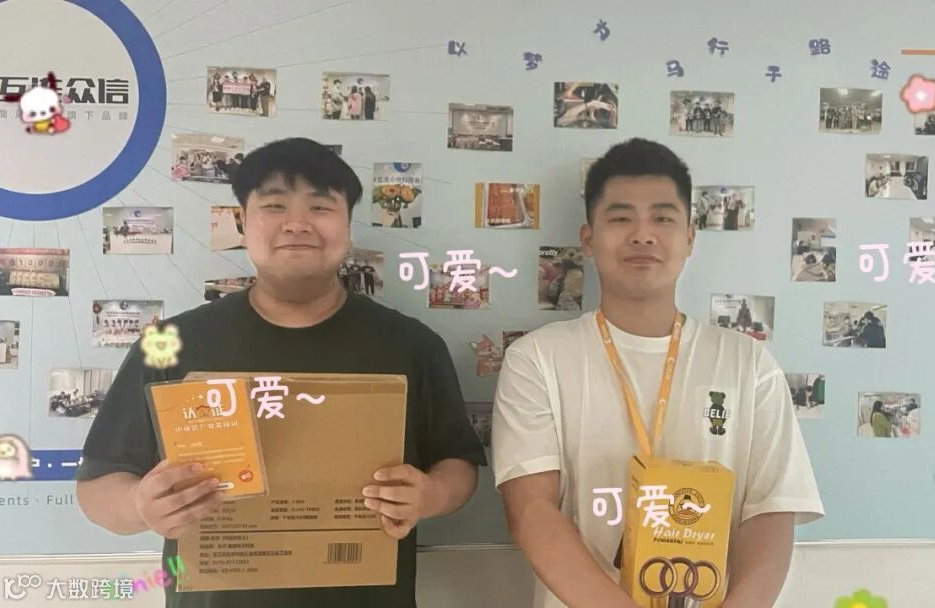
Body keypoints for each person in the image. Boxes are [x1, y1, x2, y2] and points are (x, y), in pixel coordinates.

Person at [75, 137, 487, 608]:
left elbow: (458, 465)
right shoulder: (169, 345)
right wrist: (141, 506)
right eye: (274, 206)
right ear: (242, 222)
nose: (297, 224)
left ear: (348, 225)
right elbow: (97, 486)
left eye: (320, 207)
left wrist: (431, 495)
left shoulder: (412, 345)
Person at [492, 138, 823, 608]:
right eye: (621, 218)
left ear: (690, 237)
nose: (642, 235)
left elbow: (772, 513)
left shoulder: (749, 364)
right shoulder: (537, 359)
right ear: (588, 239)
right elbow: (530, 511)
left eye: (663, 218)